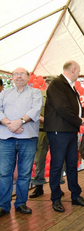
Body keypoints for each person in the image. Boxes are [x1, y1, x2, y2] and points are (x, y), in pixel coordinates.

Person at [44, 60, 84, 212]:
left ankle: (75, 195)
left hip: (70, 130)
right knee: (57, 165)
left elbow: (78, 106)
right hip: (59, 131)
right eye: (78, 70)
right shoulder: (57, 84)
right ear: (73, 69)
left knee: (72, 164)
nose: (79, 73)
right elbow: (61, 107)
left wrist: (83, 116)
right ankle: (56, 198)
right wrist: (79, 120)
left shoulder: (70, 86)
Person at [0, 67, 42, 217]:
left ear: (28, 77)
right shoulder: (4, 93)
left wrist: (19, 122)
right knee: (4, 173)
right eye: (16, 74)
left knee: (24, 173)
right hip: (6, 138)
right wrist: (9, 124)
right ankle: (3, 206)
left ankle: (21, 204)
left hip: (28, 138)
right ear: (11, 77)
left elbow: (35, 110)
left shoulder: (36, 93)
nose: (19, 76)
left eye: (22, 73)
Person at [29, 77, 55, 198]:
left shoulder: (59, 98)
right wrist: (44, 119)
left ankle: (57, 187)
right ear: (46, 84)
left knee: (57, 159)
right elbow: (33, 112)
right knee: (39, 159)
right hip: (41, 130)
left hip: (56, 131)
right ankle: (38, 187)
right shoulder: (38, 96)